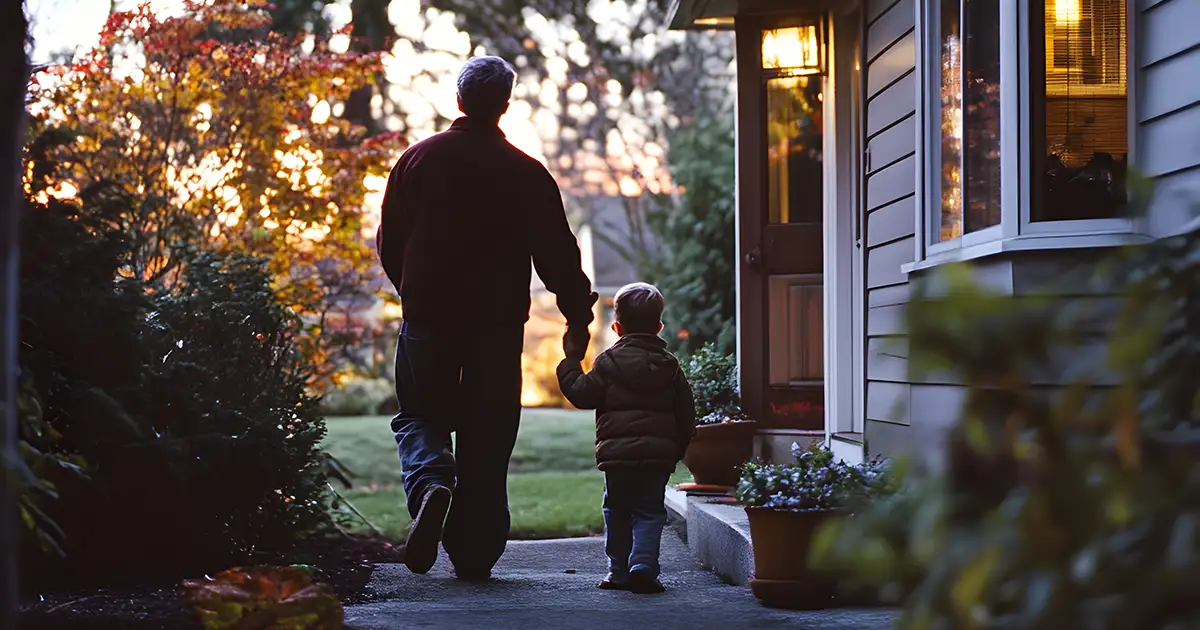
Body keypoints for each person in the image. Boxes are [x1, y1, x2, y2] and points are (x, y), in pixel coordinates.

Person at [376, 56, 597, 581]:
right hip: (496, 329)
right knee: (488, 432)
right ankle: (474, 553)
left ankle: (431, 483)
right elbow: (558, 255)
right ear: (505, 105)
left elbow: (390, 241)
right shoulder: (526, 172)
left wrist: (414, 290)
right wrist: (577, 314)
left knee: (418, 416)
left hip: (428, 321)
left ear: (458, 101)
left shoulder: (416, 161)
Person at [556, 282, 695, 594]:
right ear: (659, 326)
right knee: (649, 510)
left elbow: (580, 393)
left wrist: (569, 363)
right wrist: (676, 449)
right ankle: (644, 566)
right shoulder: (669, 367)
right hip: (657, 457)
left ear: (617, 327)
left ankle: (617, 572)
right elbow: (686, 412)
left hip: (617, 458)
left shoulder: (607, 363)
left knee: (617, 511)